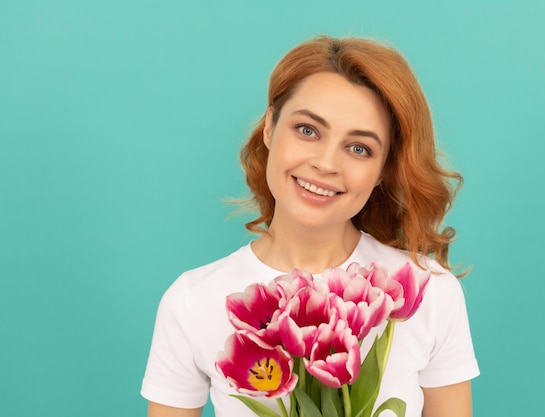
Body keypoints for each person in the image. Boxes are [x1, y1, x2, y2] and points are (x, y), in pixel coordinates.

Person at [141, 35, 479, 417]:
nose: (325, 163)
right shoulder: (191, 301)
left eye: (359, 148)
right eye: (307, 130)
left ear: (383, 169)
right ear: (270, 127)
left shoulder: (424, 291)